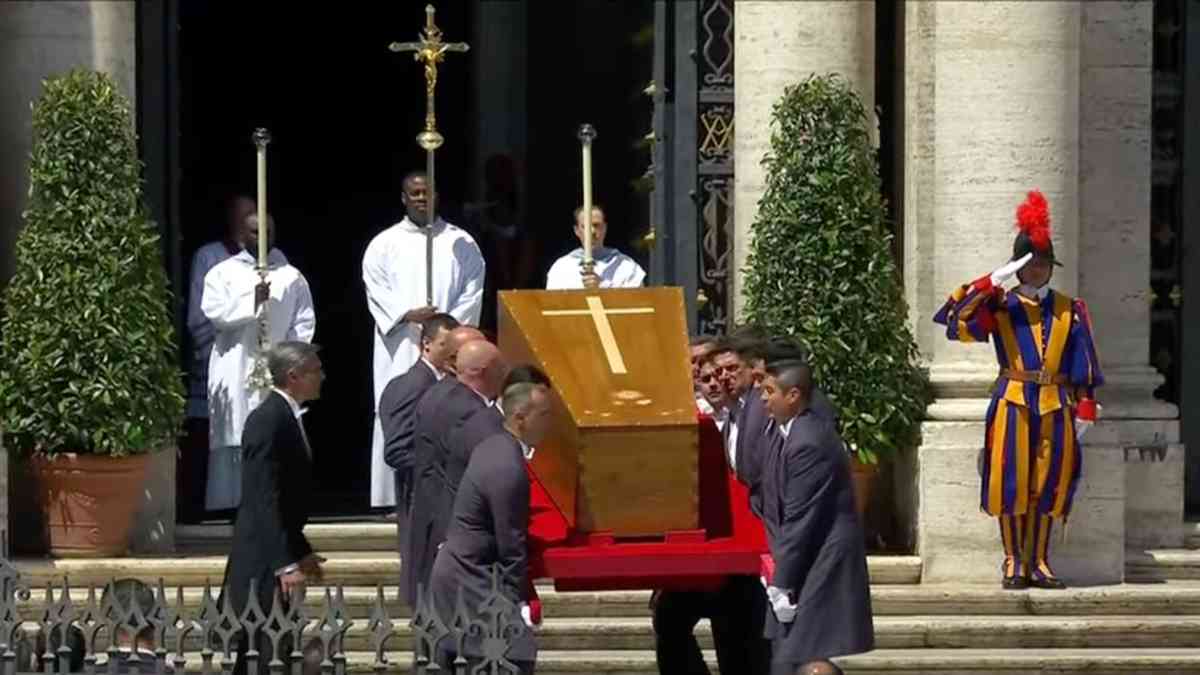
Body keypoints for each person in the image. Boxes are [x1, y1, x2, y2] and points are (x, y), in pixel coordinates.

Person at [933, 190, 1103, 590]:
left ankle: (1039, 561)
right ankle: (1013, 560)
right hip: (1012, 401)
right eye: (1031, 265)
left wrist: (1086, 411)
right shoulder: (1000, 305)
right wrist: (991, 281)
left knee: (1050, 483)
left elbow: (1085, 363)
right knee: (1009, 482)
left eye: (1044, 264)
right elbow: (954, 321)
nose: (1039, 271)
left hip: (1056, 404)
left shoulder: (1068, 308)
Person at [363, 171, 486, 509]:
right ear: (403, 198)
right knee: (401, 404)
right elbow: (376, 289)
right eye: (414, 192)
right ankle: (391, 496)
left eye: (426, 192)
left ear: (437, 195)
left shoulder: (461, 243)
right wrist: (406, 313)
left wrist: (445, 327)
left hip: (446, 345)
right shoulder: (384, 243)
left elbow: (473, 289)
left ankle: (448, 487)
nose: (420, 197)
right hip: (402, 342)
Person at [652, 349, 769, 675]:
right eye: (706, 377)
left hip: (743, 556)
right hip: (702, 551)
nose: (718, 382)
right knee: (669, 621)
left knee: (741, 647)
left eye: (724, 372)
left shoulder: (750, 414)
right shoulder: (693, 421)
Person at [429, 378, 557, 674]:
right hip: (470, 576)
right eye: (544, 415)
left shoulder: (496, 447)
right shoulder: (507, 466)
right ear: (520, 418)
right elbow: (510, 541)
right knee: (514, 658)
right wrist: (518, 599)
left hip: (461, 573)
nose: (549, 423)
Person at [759, 360, 874, 672]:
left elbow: (800, 516)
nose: (763, 399)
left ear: (793, 395)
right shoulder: (789, 433)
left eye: (770, 391)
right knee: (793, 654)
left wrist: (781, 582)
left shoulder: (807, 441)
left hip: (822, 559)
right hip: (807, 557)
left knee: (806, 654)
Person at [222, 342, 326, 675]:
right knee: (264, 654)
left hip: (278, 555)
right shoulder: (267, 419)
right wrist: (284, 564)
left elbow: (286, 502)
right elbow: (263, 498)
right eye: (315, 371)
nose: (321, 377)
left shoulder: (288, 417)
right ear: (293, 376)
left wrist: (300, 551)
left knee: (275, 650)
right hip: (262, 565)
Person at [202, 213, 315, 512]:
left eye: (268, 230)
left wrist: (293, 358)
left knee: (275, 431)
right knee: (236, 429)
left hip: (275, 365)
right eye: (254, 231)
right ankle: (233, 503)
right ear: (242, 235)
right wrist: (251, 303)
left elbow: (302, 323)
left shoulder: (291, 276)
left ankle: (274, 498)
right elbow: (214, 313)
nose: (261, 237)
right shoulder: (222, 272)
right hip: (235, 363)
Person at [404, 339, 509, 605]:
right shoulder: (470, 412)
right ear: (483, 370)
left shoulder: (441, 394)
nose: (505, 371)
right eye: (500, 366)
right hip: (453, 524)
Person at [181, 194, 260, 523]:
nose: (250, 225)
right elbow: (203, 312)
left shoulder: (276, 259)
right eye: (245, 218)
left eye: (255, 218)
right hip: (223, 356)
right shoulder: (210, 257)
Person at [379, 312, 460, 566]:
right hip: (423, 505)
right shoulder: (410, 385)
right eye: (448, 347)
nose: (455, 355)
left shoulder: (449, 384)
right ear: (426, 344)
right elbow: (397, 451)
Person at [545, 205, 646, 290]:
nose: (592, 231)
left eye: (596, 225)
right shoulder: (561, 267)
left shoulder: (626, 266)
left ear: (605, 228)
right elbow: (552, 305)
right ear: (576, 231)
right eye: (586, 226)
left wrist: (602, 287)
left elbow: (639, 302)